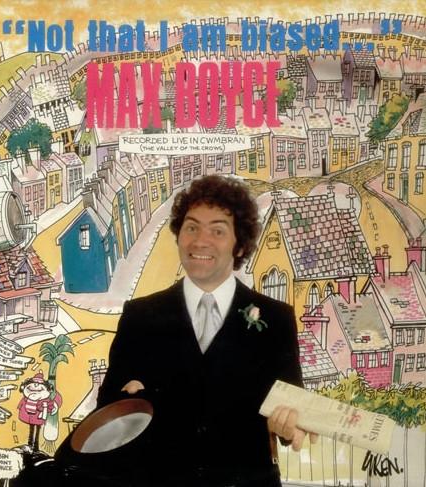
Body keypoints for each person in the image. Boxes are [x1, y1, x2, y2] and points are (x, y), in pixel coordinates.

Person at [96, 175, 317, 487]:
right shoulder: (140, 316)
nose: (200, 241)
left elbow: (291, 406)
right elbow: (105, 411)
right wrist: (125, 403)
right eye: (192, 227)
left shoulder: (276, 318)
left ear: (240, 244)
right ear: (178, 236)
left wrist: (289, 426)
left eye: (218, 230)